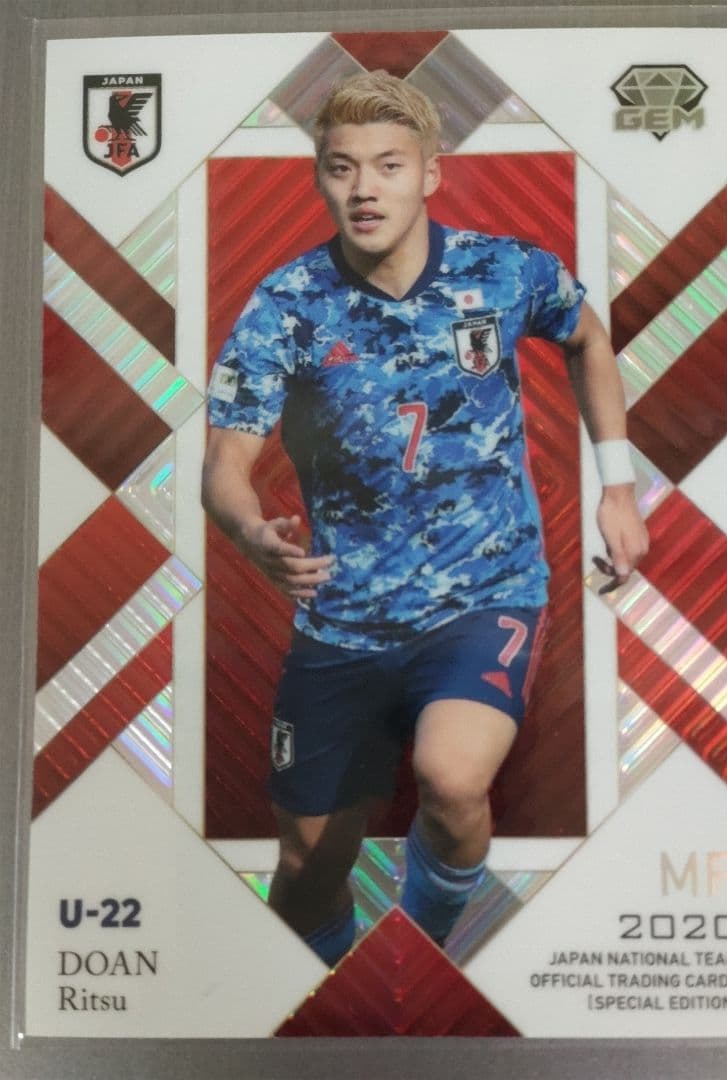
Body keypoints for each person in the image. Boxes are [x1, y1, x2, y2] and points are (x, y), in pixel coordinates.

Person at [202, 71, 649, 966]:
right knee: (306, 867)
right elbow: (224, 468)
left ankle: (422, 959)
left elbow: (588, 338)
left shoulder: (505, 271)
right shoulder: (286, 305)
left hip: (485, 591)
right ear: (321, 179)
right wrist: (249, 531)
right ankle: (335, 998)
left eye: (389, 165)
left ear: (430, 174)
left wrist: (617, 485)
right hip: (344, 617)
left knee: (450, 780)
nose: (364, 189)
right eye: (342, 168)